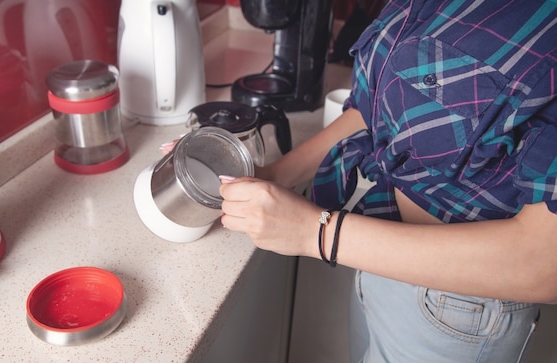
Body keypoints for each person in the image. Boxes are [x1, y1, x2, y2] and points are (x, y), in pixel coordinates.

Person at [218, 0, 557, 361]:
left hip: (461, 308)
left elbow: (545, 262)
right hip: (376, 252)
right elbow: (374, 107)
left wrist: (315, 233)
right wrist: (274, 175)